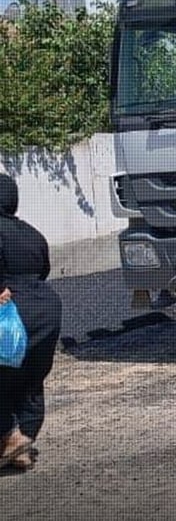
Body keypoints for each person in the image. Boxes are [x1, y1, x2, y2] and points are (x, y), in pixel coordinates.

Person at [0, 174, 62, 472]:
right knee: (31, 381)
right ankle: (21, 442)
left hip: (11, 310)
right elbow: (44, 269)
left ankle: (10, 437)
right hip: (46, 309)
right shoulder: (33, 233)